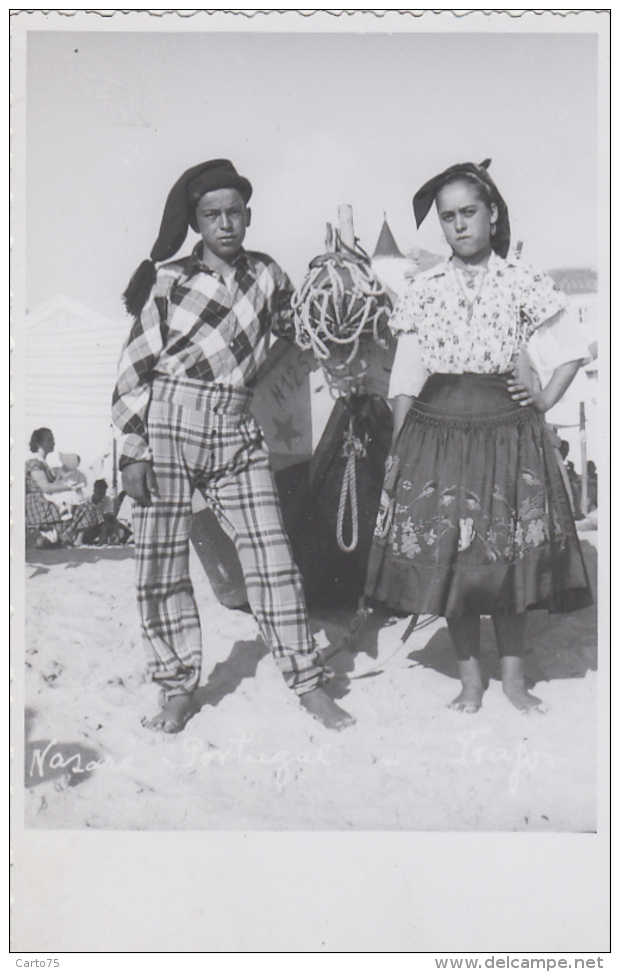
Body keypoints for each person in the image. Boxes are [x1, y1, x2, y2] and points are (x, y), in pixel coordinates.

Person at [112, 158, 354, 733]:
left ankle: (307, 682)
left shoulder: (268, 275)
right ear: (196, 222)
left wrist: (340, 285)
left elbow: (304, 330)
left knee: (272, 557)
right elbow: (134, 368)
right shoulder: (168, 280)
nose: (224, 224)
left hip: (237, 429)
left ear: (249, 215)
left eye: (234, 213)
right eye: (211, 214)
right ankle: (177, 689)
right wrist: (131, 448)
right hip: (169, 422)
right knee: (160, 564)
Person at [364, 160, 592, 714]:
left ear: (492, 215)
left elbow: (571, 351)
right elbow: (407, 377)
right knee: (452, 558)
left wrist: (542, 400)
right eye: (448, 217)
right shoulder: (425, 286)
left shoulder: (522, 279)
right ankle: (470, 682)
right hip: (436, 435)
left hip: (507, 434)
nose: (460, 225)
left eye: (469, 212)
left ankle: (513, 682)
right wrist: (401, 451)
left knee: (506, 557)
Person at [25, 429, 104, 547]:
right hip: (40, 505)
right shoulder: (34, 463)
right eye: (49, 439)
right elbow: (45, 488)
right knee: (85, 508)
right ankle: (61, 538)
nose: (53, 442)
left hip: (49, 502)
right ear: (38, 442)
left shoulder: (44, 464)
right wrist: (68, 487)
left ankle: (69, 539)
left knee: (85, 507)